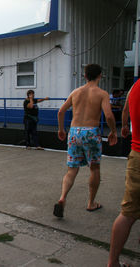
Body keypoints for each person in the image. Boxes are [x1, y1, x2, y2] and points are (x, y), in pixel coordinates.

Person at [53, 64, 117, 218]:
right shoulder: (102, 94)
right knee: (94, 168)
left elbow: (61, 111)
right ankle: (91, 203)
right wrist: (114, 131)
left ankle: (62, 198)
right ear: (100, 75)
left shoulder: (76, 92)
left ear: (85, 76)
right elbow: (108, 116)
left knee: (72, 169)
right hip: (91, 132)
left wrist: (61, 129)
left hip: (74, 132)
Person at [107, 80, 140, 267]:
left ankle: (113, 262)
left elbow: (125, 110)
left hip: (137, 154)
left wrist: (124, 127)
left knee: (128, 212)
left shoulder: (135, 87)